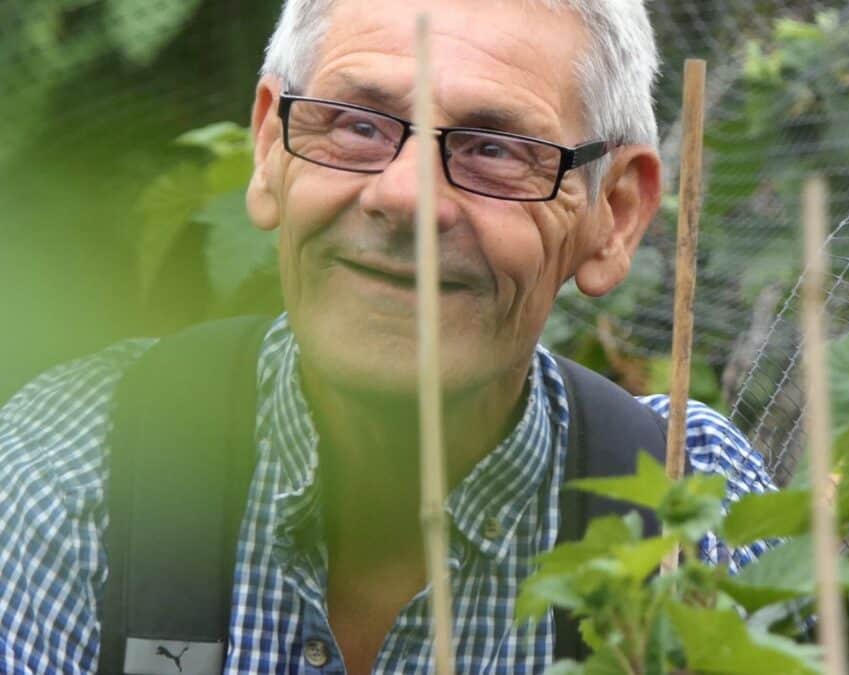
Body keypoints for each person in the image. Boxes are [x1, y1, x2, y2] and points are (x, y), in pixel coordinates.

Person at [0, 0, 776, 672]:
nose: (405, 196)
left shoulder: (690, 512)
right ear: (270, 150)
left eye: (494, 148)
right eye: (358, 125)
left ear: (614, 215)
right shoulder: (79, 473)